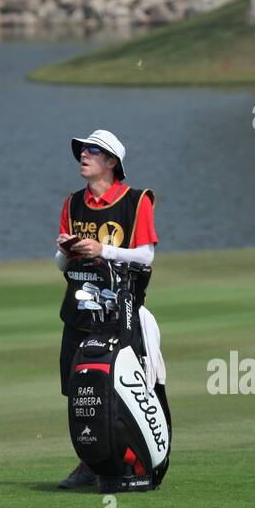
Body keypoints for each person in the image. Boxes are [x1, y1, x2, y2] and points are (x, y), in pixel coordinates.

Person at [54, 129, 158, 489]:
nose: (83, 155)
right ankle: (90, 461)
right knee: (78, 388)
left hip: (121, 312)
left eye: (92, 151)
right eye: (82, 150)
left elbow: (146, 256)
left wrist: (103, 251)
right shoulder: (72, 203)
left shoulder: (136, 201)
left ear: (111, 162)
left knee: (120, 388)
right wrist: (66, 252)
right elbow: (59, 266)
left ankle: (129, 459)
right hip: (79, 309)